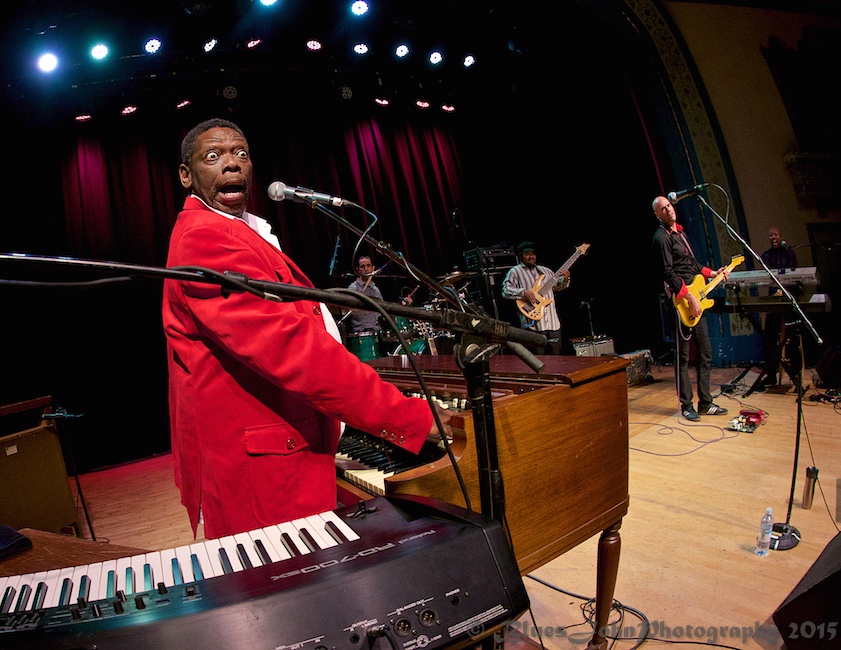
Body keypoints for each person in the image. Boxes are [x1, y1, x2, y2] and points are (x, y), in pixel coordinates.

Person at [162, 118, 452, 540]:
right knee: (290, 577)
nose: (232, 164)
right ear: (186, 175)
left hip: (282, 447)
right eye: (213, 156)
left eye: (241, 153)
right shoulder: (205, 238)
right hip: (263, 468)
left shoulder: (241, 230)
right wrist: (409, 417)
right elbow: (293, 349)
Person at [652, 195, 730, 421]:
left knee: (705, 352)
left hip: (696, 296)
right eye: (663, 209)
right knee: (683, 356)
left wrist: (713, 273)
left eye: (669, 206)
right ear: (657, 215)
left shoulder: (681, 234)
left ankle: (706, 402)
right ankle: (686, 405)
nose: (668, 210)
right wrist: (689, 297)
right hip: (681, 303)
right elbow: (668, 272)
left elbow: (693, 265)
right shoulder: (661, 238)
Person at [501, 241, 570, 355]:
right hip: (533, 326)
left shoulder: (545, 271)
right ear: (520, 256)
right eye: (527, 254)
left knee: (557, 360)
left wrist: (565, 279)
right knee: (538, 360)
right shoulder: (515, 271)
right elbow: (505, 291)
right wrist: (523, 292)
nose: (531, 256)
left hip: (553, 324)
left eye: (533, 254)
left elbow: (558, 287)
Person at [758, 226, 799, 386]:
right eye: (770, 235)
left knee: (793, 335)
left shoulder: (789, 253)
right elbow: (769, 276)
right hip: (774, 301)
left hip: (789, 300)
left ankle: (795, 374)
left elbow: (794, 275)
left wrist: (784, 289)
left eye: (775, 234)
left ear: (780, 236)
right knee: (769, 336)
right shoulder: (766, 256)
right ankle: (771, 374)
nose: (773, 237)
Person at [345, 255, 384, 335]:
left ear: (373, 268)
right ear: (358, 270)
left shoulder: (376, 290)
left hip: (377, 332)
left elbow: (383, 312)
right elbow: (349, 311)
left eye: (368, 266)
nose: (366, 269)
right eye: (362, 266)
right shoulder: (353, 288)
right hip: (361, 333)